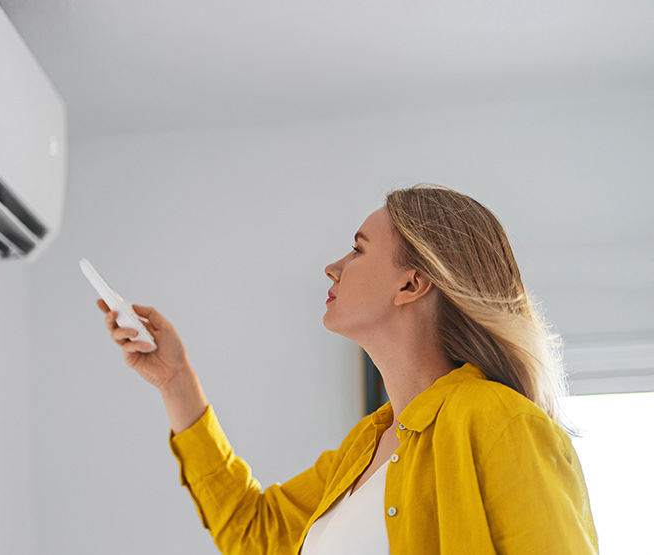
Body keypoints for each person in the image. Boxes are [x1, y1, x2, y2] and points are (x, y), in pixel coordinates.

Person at [96, 184, 598, 554]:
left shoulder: (499, 421)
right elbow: (255, 532)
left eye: (358, 249)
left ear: (412, 284)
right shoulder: (364, 449)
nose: (332, 266)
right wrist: (175, 380)